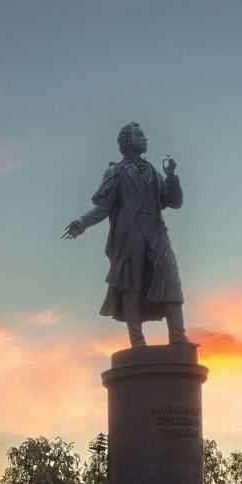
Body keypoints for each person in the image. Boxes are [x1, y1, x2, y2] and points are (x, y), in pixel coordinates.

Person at [62, 121, 187, 348]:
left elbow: (174, 202)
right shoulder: (116, 172)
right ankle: (137, 341)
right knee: (132, 286)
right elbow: (103, 208)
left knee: (170, 280)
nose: (145, 139)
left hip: (157, 233)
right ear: (127, 142)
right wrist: (81, 223)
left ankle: (178, 337)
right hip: (129, 235)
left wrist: (171, 176)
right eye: (140, 135)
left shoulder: (154, 172)